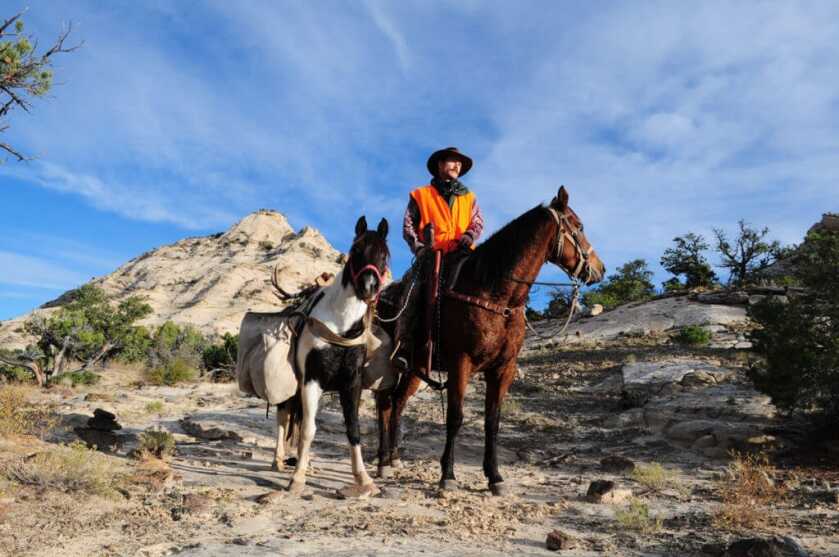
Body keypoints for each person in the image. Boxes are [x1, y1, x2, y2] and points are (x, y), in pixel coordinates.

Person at [393, 147, 484, 369]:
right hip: (430, 257)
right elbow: (408, 226)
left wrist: (469, 235)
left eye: (460, 163)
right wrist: (419, 249)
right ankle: (403, 348)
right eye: (453, 161)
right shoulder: (420, 195)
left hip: (463, 256)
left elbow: (477, 222)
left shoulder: (470, 197)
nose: (457, 166)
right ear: (440, 165)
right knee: (412, 292)